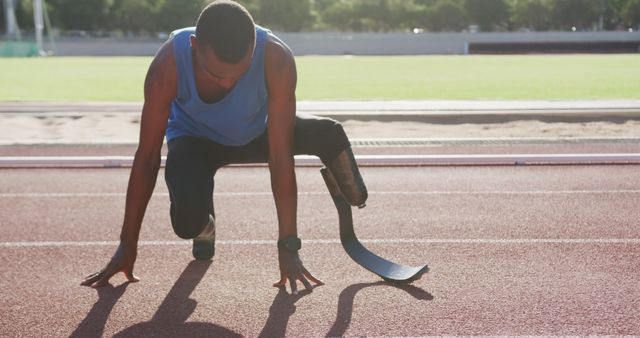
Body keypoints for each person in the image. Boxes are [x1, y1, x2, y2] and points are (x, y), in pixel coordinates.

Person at [81, 0, 367, 295]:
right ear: (194, 45)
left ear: (255, 46)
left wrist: (289, 244)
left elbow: (280, 156)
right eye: (218, 75)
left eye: (239, 73)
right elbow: (148, 156)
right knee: (187, 224)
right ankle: (206, 227)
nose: (229, 83)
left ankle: (352, 190)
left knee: (328, 135)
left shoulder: (275, 57)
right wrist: (127, 245)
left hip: (256, 133)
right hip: (196, 141)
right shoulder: (167, 65)